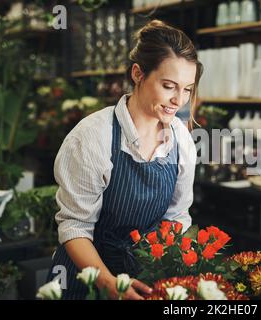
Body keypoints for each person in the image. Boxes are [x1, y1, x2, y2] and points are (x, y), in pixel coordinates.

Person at [47, 19, 203, 300]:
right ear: (138, 74)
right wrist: (110, 284)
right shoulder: (93, 137)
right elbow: (75, 227)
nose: (178, 100)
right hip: (85, 279)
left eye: (187, 89)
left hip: (142, 280)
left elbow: (176, 218)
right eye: (169, 86)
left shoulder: (180, 140)